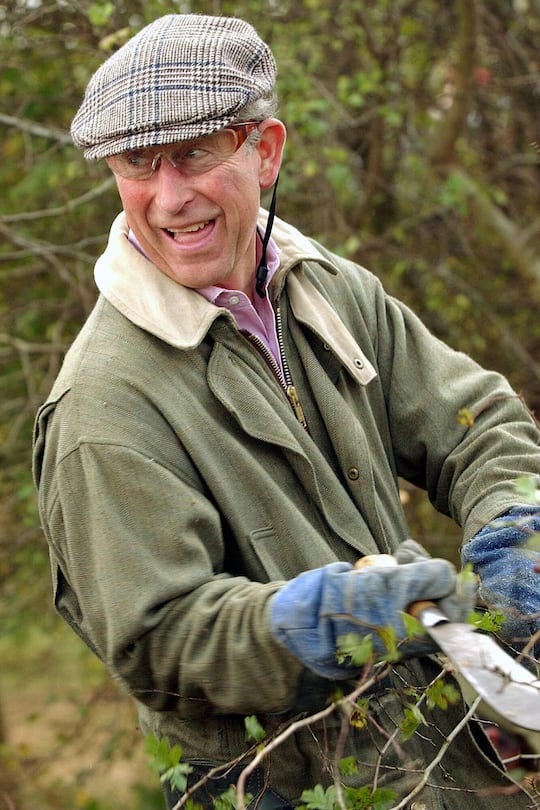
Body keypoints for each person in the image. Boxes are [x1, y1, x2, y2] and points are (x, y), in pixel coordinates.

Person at [32, 13, 540, 809]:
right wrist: (316, 621)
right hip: (292, 790)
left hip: (439, 770)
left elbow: (480, 425)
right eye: (138, 163)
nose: (170, 196)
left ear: (263, 152)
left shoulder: (324, 288)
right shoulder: (103, 404)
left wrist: (517, 539)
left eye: (196, 152)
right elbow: (159, 639)